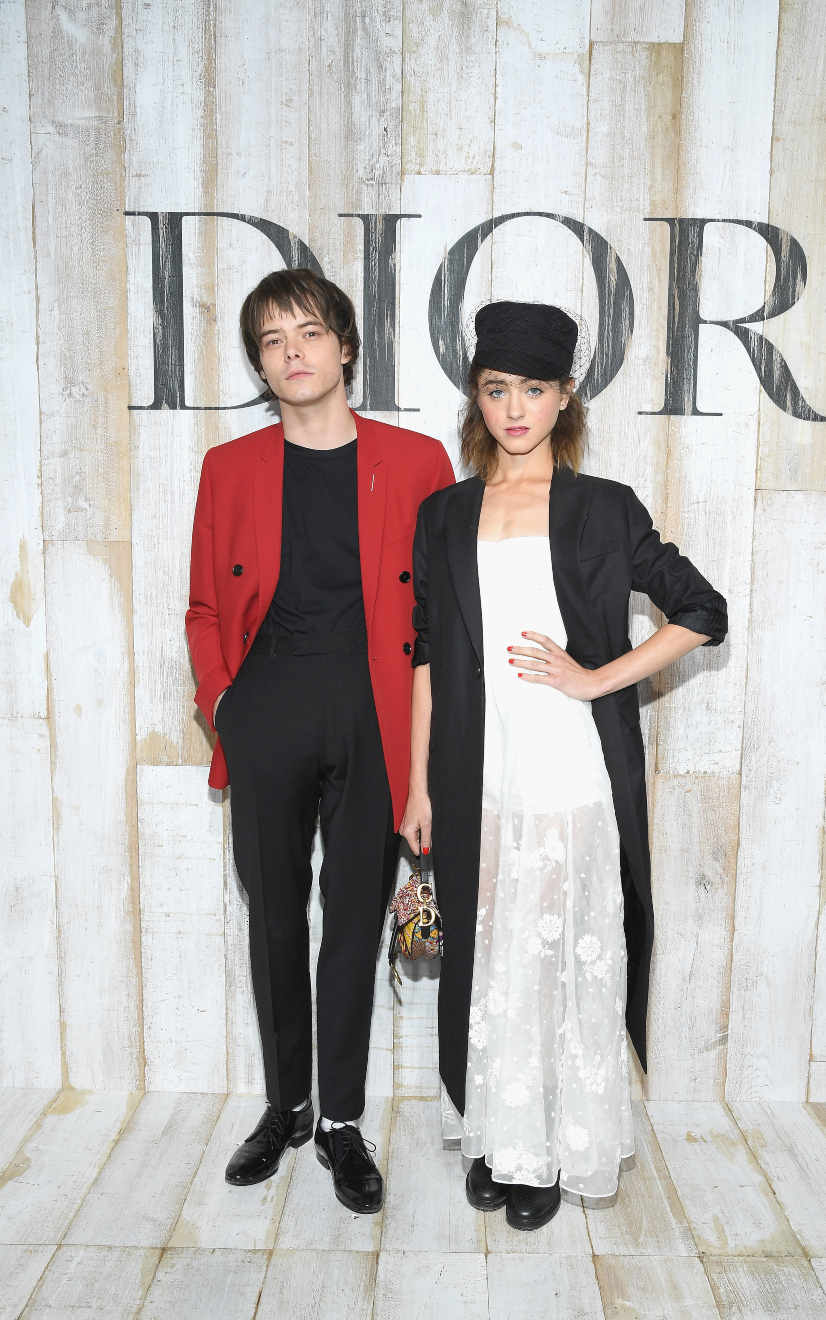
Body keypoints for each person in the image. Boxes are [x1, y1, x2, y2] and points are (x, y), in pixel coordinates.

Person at [401, 301, 727, 1230]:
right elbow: (425, 654)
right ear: (476, 395)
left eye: (533, 390)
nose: (514, 409)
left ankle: (543, 1150)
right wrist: (419, 783)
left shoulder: (604, 508)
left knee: (546, 961)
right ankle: (497, 1136)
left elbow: (702, 611)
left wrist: (595, 678)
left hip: (567, 769)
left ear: (565, 396)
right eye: (496, 388)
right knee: (485, 958)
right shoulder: (444, 514)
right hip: (476, 771)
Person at [186, 268, 454, 1212]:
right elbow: (205, 607)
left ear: (345, 345)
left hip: (375, 709)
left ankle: (341, 1120)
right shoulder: (229, 468)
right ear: (261, 365)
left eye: (307, 332)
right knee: (272, 915)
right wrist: (225, 704)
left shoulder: (417, 461)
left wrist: (427, 763)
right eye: (272, 340)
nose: (292, 352)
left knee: (352, 918)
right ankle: (286, 1106)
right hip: (267, 706)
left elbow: (439, 618)